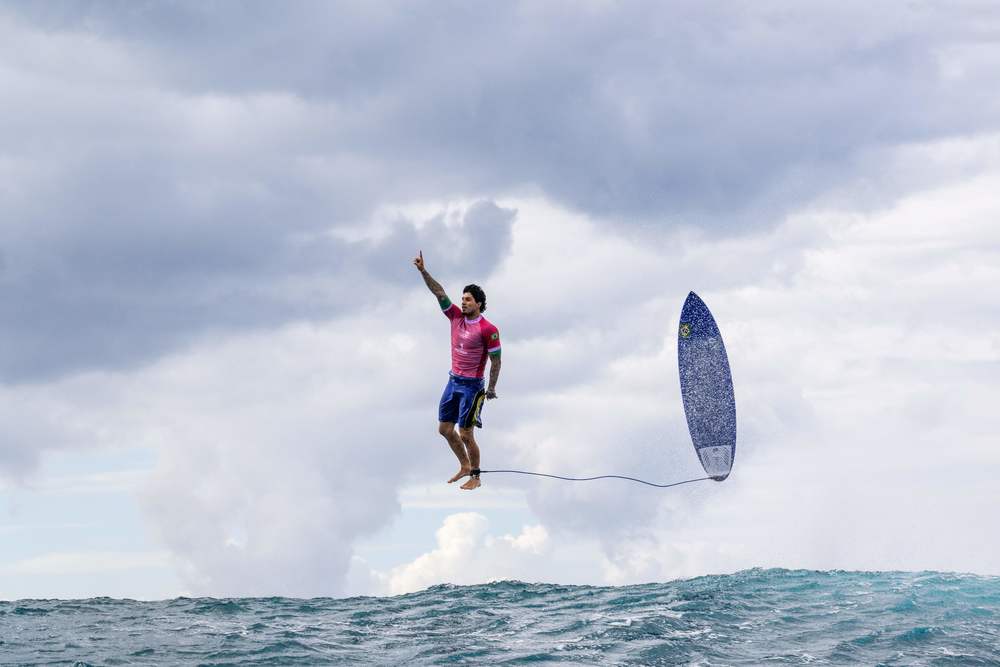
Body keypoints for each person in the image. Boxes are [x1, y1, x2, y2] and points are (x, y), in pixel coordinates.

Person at [413, 250, 501, 490]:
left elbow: (496, 360)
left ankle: (475, 476)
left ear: (479, 304)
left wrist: (491, 388)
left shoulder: (488, 329)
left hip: (472, 387)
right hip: (453, 381)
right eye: (462, 298)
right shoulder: (454, 317)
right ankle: (464, 465)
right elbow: (439, 292)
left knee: (465, 433)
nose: (463, 302)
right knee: (444, 429)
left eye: (468, 300)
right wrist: (423, 271)